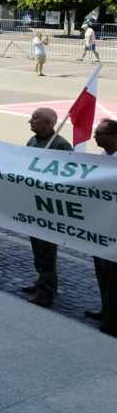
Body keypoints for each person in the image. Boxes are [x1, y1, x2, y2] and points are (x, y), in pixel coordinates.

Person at [21, 107, 73, 307]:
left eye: (35, 119)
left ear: (48, 123)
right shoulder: (32, 141)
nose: (30, 122)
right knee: (37, 248)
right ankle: (41, 280)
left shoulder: (61, 145)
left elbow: (69, 176)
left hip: (49, 207)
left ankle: (46, 292)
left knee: (47, 252)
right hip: (33, 202)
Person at [89, 120, 117, 337]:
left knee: (113, 277)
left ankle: (112, 321)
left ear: (114, 137)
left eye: (99, 133)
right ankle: (105, 309)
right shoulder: (103, 157)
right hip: (101, 225)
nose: (95, 136)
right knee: (102, 272)